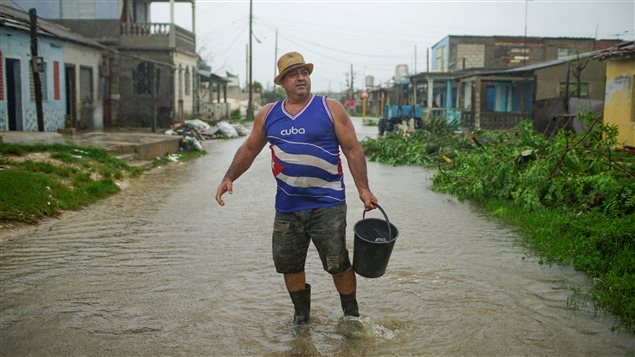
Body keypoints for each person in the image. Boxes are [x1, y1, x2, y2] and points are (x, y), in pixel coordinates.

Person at [214, 51, 378, 326]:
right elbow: (250, 149)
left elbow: (353, 150)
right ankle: (301, 318)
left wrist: (363, 189)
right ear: (282, 82)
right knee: (289, 265)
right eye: (293, 74)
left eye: (304, 72)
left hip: (328, 205)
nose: (301, 78)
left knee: (338, 263)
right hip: (288, 208)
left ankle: (351, 316)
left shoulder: (330, 107)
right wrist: (229, 176)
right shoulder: (268, 115)